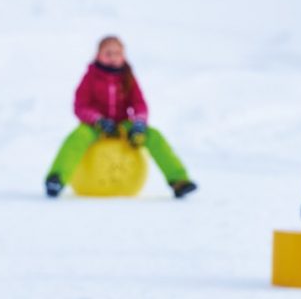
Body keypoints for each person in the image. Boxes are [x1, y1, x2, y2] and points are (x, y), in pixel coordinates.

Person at [45, 35, 198, 198]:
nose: (112, 57)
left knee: (154, 135)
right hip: (95, 126)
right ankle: (57, 178)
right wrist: (97, 120)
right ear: (98, 55)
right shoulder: (90, 77)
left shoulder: (128, 77)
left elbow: (139, 104)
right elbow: (80, 106)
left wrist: (139, 123)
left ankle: (178, 180)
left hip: (123, 125)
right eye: (108, 53)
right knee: (77, 137)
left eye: (117, 53)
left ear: (123, 56)